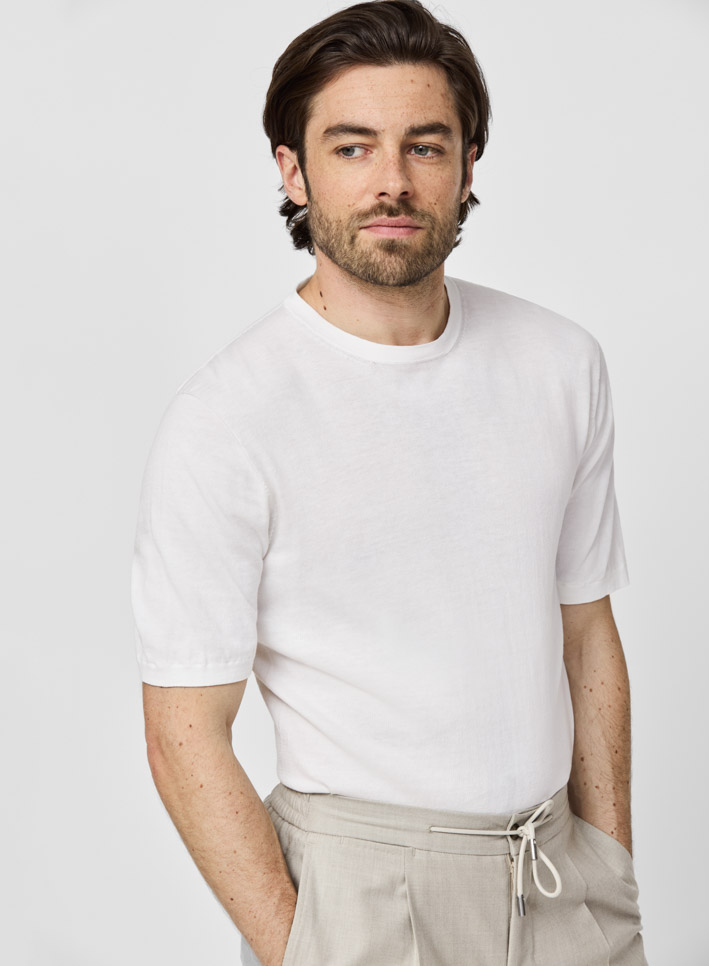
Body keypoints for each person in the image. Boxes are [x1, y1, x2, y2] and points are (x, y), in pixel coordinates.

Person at [130, 1, 648, 964]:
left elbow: (587, 632)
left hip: (557, 877)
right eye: (353, 147)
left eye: (425, 145)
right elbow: (184, 734)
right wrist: (305, 947)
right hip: (359, 896)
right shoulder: (227, 421)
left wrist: (611, 869)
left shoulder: (560, 364)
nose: (393, 182)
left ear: (468, 164)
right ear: (294, 170)